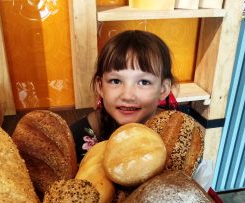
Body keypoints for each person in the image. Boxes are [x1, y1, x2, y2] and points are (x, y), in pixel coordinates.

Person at [70, 30, 177, 163]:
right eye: (115, 81)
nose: (127, 95)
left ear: (163, 88)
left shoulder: (176, 136)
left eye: (144, 82)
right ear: (100, 86)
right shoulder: (74, 138)